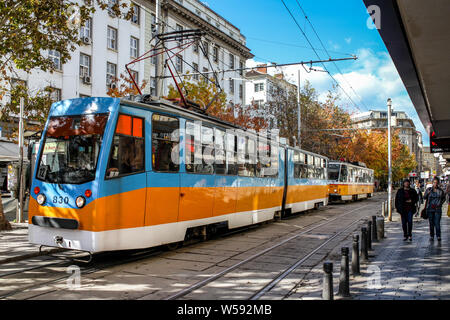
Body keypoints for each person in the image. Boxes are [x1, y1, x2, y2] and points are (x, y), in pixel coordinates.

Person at [423, 177, 446, 241]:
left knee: (437, 223)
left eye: (436, 183)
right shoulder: (429, 189)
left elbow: (444, 198)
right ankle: (432, 236)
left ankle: (438, 236)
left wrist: (440, 203)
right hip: (430, 209)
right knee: (431, 223)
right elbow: (424, 197)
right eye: (434, 182)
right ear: (432, 183)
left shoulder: (440, 190)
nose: (435, 184)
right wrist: (427, 193)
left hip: (437, 209)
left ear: (438, 183)